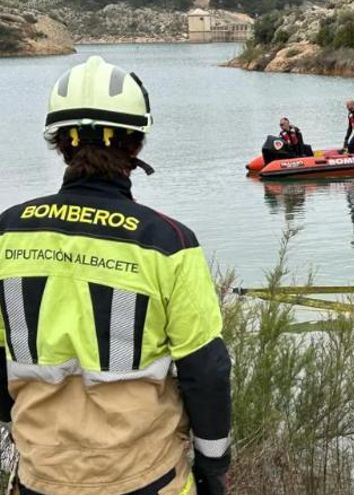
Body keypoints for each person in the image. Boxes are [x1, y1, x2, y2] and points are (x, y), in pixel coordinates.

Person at [0, 56, 231, 494]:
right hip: (146, 476)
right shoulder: (168, 242)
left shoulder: (8, 231)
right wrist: (214, 465)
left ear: (62, 145)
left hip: (40, 474)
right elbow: (206, 369)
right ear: (135, 144)